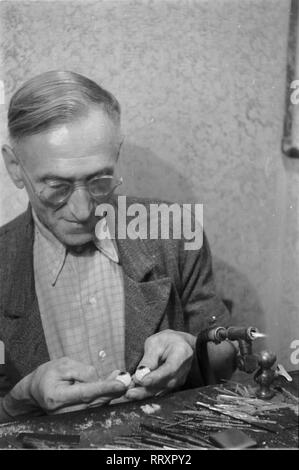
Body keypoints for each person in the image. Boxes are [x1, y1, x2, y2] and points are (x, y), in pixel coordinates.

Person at [0, 70, 236, 422]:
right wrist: (18, 402)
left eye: (100, 180)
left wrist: (191, 346)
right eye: (56, 186)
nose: (82, 211)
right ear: (15, 167)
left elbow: (227, 351)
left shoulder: (173, 229)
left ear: (117, 153)